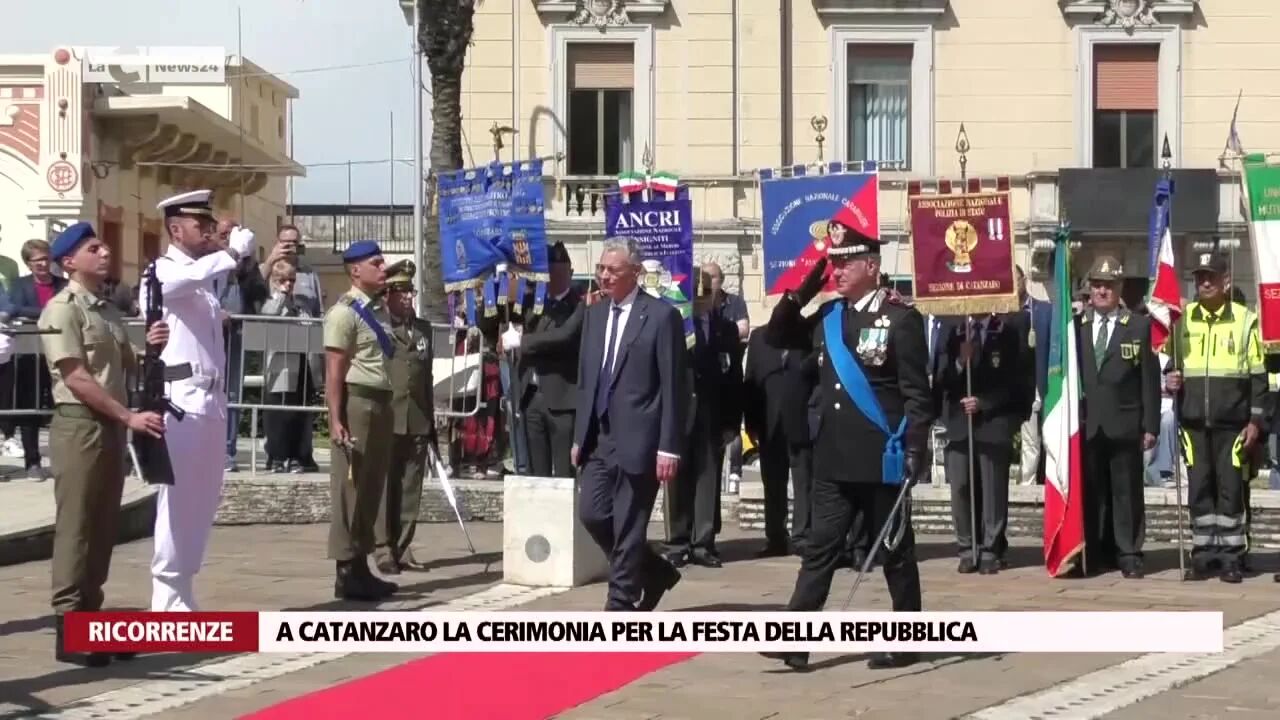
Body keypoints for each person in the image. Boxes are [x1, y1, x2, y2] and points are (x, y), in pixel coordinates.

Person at [760, 221, 933, 671]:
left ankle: (908, 638)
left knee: (895, 552)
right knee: (819, 549)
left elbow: (917, 393)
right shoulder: (830, 316)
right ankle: (794, 639)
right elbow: (777, 337)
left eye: (844, 262)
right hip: (834, 458)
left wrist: (917, 449)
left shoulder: (901, 319)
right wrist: (801, 292)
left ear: (871, 266)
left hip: (882, 457)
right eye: (832, 263)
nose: (836, 271)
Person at [38, 223, 168, 665]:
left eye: (104, 245)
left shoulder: (106, 310)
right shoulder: (62, 310)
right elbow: (76, 377)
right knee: (76, 527)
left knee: (102, 528)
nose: (106, 252)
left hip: (109, 426)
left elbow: (126, 365)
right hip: (80, 427)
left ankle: (92, 623)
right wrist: (128, 416)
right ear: (69, 262)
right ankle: (70, 629)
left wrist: (150, 346)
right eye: (94, 248)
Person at [144, 191, 255, 612]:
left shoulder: (205, 282)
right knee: (178, 503)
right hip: (181, 403)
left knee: (203, 502)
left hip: (210, 403)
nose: (209, 231)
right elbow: (175, 285)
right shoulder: (162, 271)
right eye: (200, 225)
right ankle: (166, 598)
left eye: (211, 225)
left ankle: (182, 593)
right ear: (176, 229)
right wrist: (229, 252)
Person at [572, 239, 687, 611]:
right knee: (592, 512)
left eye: (613, 271)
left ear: (634, 273)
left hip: (642, 439)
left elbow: (674, 387)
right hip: (599, 437)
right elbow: (588, 378)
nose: (604, 276)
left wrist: (669, 446)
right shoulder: (594, 315)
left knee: (629, 524)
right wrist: (580, 435)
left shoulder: (660, 317)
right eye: (601, 269)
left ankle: (619, 606)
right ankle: (654, 571)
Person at [1165, 252, 1266, 583]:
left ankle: (1232, 557)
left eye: (1211, 276)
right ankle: (1203, 555)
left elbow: (1258, 376)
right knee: (1199, 489)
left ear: (1226, 280)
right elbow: (1173, 365)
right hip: (1193, 422)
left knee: (1230, 491)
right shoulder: (1183, 319)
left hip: (1233, 424)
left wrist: (1255, 420)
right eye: (1199, 277)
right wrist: (1170, 378)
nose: (1204, 282)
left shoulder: (1244, 319)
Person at [1076, 256, 1160, 578]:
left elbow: (1149, 380)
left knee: (1126, 492)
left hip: (1125, 423)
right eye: (1097, 285)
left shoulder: (1138, 326)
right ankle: (1097, 550)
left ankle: (1129, 552)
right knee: (1094, 492)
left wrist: (1150, 425)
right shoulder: (1077, 328)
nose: (1101, 291)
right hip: (1089, 424)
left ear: (1119, 288)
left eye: (1108, 285)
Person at [324, 240, 398, 600]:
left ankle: (361, 565)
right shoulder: (344, 313)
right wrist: (335, 418)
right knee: (350, 489)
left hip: (381, 402)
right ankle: (345, 568)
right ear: (356, 271)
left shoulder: (378, 310)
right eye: (376, 263)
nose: (383, 268)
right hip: (358, 404)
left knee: (371, 487)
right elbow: (334, 371)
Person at [663, 268, 742, 568]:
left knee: (708, 480)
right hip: (680, 413)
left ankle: (703, 543)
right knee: (677, 480)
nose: (700, 300)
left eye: (705, 293)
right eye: (695, 294)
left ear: (713, 296)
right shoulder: (675, 327)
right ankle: (677, 541)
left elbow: (735, 376)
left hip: (712, 413)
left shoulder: (726, 329)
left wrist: (732, 422)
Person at [373, 259, 436, 574]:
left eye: (410, 290)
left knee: (411, 487)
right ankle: (383, 547)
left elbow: (426, 377)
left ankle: (402, 544)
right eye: (400, 291)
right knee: (386, 485)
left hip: (418, 417)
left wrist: (431, 422)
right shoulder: (380, 327)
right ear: (387, 295)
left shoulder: (424, 329)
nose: (408, 297)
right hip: (389, 417)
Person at [502, 242, 584, 477]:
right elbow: (496, 322)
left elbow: (564, 336)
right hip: (531, 396)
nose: (555, 276)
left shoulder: (578, 305)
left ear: (570, 273)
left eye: (560, 270)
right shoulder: (531, 303)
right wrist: (498, 286)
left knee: (564, 474)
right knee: (536, 474)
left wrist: (523, 341)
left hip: (562, 399)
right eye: (550, 271)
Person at [743, 319, 814, 557]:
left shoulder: (807, 334)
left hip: (801, 420)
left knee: (804, 481)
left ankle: (802, 535)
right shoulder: (759, 337)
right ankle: (775, 537)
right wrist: (751, 422)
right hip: (769, 422)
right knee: (773, 483)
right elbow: (751, 379)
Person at [4, 239, 67, 479]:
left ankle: (64, 460)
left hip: (60, 353)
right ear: (28, 264)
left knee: (61, 407)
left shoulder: (63, 285)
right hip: (29, 354)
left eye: (45, 258)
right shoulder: (19, 285)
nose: (42, 264)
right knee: (29, 407)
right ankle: (33, 462)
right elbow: (15, 307)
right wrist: (50, 312)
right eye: (36, 260)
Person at [1015, 265, 1052, 485]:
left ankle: (1027, 484)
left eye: (1016, 277)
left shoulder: (1043, 311)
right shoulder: (999, 311)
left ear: (1024, 280)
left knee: (1032, 439)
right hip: (1007, 385)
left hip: (1035, 385)